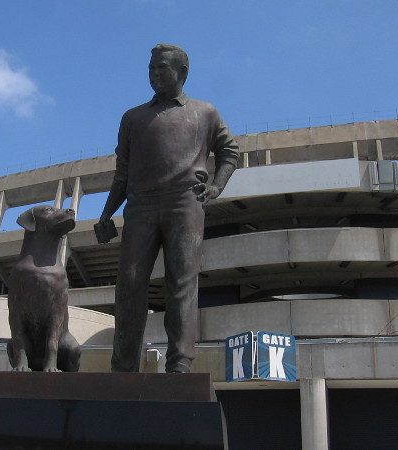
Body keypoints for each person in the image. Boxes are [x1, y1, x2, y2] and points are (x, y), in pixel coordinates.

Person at [96, 43, 239, 373]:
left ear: (182, 72)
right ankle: (123, 366)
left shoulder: (205, 112)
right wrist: (106, 214)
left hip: (184, 202)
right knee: (129, 284)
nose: (154, 74)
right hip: (140, 205)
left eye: (161, 67)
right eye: (151, 68)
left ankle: (180, 363)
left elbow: (229, 152)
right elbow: (122, 173)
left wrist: (216, 187)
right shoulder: (133, 118)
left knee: (182, 284)